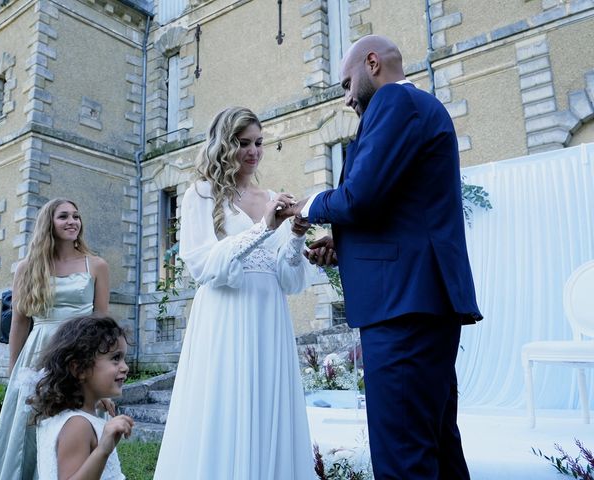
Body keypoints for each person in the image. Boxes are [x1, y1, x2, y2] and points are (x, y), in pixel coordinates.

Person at [286, 35, 483, 479]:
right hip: (418, 303)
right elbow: (401, 209)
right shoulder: (414, 109)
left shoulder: (395, 101)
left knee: (402, 458)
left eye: (346, 84)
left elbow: (361, 197)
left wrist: (307, 206)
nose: (347, 98)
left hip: (404, 309)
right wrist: (344, 245)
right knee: (435, 448)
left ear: (371, 63)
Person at [153, 106, 315, 479]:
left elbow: (289, 280)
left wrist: (294, 234)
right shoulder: (201, 195)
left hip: (269, 314)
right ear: (225, 144)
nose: (254, 151)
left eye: (259, 143)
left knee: (267, 405)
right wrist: (262, 227)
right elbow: (204, 265)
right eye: (244, 143)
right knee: (227, 404)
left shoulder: (271, 195)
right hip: (225, 315)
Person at [0, 198, 111, 480]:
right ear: (48, 224)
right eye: (63, 216)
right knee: (31, 425)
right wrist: (14, 369)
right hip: (39, 351)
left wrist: (102, 370)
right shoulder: (27, 268)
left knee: (75, 419)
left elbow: (102, 323)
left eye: (76, 216)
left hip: (80, 352)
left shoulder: (97, 265)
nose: (72, 222)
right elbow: (19, 321)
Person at [28, 314, 133, 480]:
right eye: (115, 358)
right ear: (79, 369)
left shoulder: (73, 417)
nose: (125, 367)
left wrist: (95, 399)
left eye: (123, 358)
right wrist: (103, 449)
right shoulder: (78, 426)